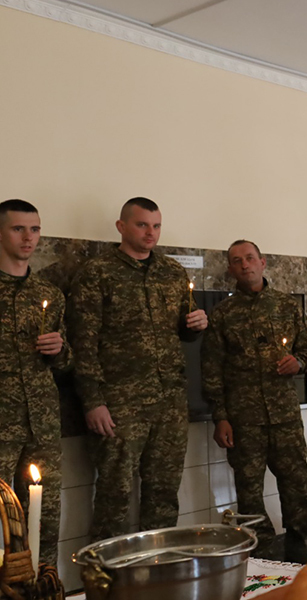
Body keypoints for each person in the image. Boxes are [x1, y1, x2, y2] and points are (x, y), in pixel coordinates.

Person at [68, 197, 208, 541]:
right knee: (114, 497)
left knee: (163, 494)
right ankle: (106, 572)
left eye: (156, 226)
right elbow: (83, 342)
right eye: (142, 224)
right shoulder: (97, 273)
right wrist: (93, 401)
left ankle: (157, 568)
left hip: (169, 402)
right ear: (121, 226)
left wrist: (195, 326)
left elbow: (182, 332)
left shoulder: (172, 273)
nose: (151, 233)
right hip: (120, 404)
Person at [201, 240, 307, 563]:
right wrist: (220, 416)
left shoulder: (287, 305)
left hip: (284, 415)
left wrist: (299, 362)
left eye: (250, 258)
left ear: (262, 262)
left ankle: (297, 541)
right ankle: (261, 549)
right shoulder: (223, 315)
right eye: (237, 261)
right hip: (244, 419)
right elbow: (211, 369)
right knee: (249, 489)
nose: (245, 265)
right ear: (231, 269)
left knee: (295, 481)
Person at [0, 199, 71, 567]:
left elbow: (66, 361)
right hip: (2, 422)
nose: (28, 237)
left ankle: (43, 585)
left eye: (35, 229)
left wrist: (59, 350)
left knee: (44, 518)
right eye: (18, 229)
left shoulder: (49, 294)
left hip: (41, 423)